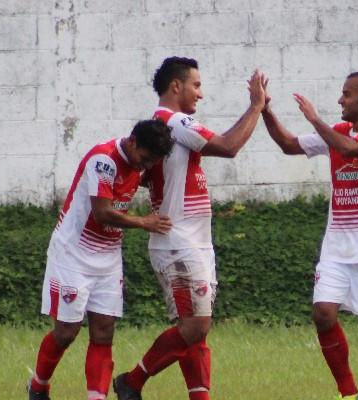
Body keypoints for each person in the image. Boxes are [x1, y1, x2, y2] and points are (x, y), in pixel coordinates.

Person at [113, 57, 266, 400]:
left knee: (195, 329)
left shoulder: (160, 126)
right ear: (176, 86)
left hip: (193, 240)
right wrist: (256, 106)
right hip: (177, 240)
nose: (201, 93)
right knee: (196, 326)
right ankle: (132, 382)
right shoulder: (174, 121)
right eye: (196, 85)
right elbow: (228, 147)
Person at [261, 71, 358, 400]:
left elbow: (352, 150)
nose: (340, 100)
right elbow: (288, 145)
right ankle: (348, 394)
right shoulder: (337, 131)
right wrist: (265, 110)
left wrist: (314, 119)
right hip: (337, 247)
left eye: (347, 94)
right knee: (323, 313)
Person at [27, 119, 175, 400]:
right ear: (133, 142)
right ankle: (38, 386)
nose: (145, 167)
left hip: (108, 258)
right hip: (73, 255)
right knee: (66, 333)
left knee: (104, 332)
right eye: (144, 159)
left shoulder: (139, 163)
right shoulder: (103, 160)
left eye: (151, 163)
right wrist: (145, 222)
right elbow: (102, 213)